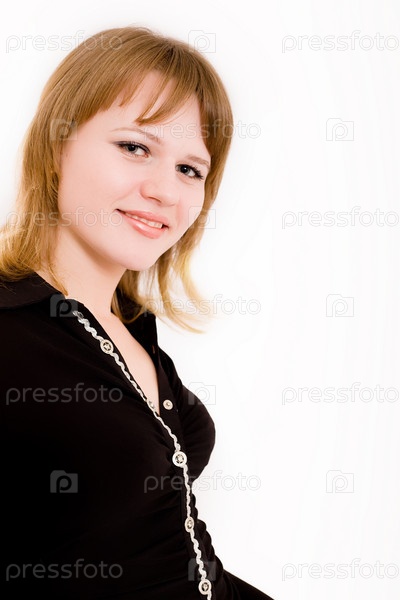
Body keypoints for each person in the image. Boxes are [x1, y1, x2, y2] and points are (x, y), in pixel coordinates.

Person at [1, 26, 275, 599]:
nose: (165, 191)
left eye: (190, 170)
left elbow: (170, 554)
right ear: (56, 145)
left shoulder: (132, 329)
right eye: (135, 147)